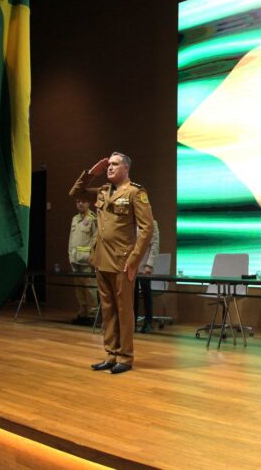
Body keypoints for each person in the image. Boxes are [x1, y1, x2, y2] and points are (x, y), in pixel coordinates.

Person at [69, 152, 154, 374]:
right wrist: (90, 174)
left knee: (124, 310)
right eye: (108, 165)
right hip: (101, 259)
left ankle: (125, 357)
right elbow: (75, 193)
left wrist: (135, 260)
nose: (110, 168)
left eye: (115, 164)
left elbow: (147, 229)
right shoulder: (103, 191)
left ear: (126, 168)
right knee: (107, 310)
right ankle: (111, 354)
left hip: (122, 261)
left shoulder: (136, 192)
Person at [68, 199, 98, 325]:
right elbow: (71, 239)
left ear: (89, 204)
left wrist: (93, 258)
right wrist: (70, 256)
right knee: (79, 289)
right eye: (78, 202)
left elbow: (97, 239)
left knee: (90, 289)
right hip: (75, 260)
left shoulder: (92, 218)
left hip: (87, 261)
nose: (80, 204)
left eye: (83, 202)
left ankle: (92, 316)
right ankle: (83, 313)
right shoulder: (75, 218)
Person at [134, 219, 159, 333]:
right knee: (132, 295)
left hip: (144, 266)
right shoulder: (130, 223)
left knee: (146, 293)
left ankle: (148, 322)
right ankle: (132, 322)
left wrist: (149, 265)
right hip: (131, 266)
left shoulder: (151, 223)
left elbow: (154, 245)